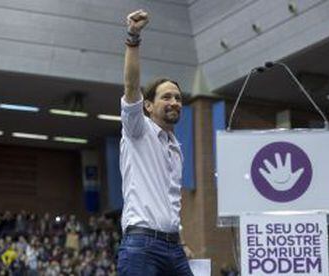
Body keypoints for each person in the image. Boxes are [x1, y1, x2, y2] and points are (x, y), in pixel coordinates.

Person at [117, 9, 193, 276]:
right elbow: (131, 86)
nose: (174, 102)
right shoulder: (138, 130)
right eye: (167, 97)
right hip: (141, 245)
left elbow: (170, 200)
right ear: (147, 106)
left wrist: (181, 240)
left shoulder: (176, 148)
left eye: (178, 98)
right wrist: (133, 37)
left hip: (174, 247)